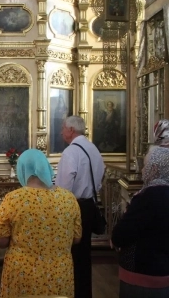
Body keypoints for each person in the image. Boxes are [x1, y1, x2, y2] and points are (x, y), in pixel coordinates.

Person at [0, 149, 82, 298]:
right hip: (59, 276)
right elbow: (77, 238)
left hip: (23, 276)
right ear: (45, 167)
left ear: (22, 170)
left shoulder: (13, 199)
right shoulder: (69, 198)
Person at [55, 116, 105, 298]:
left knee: (72, 255)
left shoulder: (71, 152)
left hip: (74, 207)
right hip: (89, 206)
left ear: (71, 130)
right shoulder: (93, 149)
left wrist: (58, 208)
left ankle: (71, 293)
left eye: (63, 128)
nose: (61, 132)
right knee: (84, 256)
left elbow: (64, 186)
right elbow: (100, 178)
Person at [111, 146, 169, 298]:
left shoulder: (148, 197)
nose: (142, 170)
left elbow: (121, 235)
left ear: (154, 168)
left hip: (142, 277)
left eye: (145, 165)